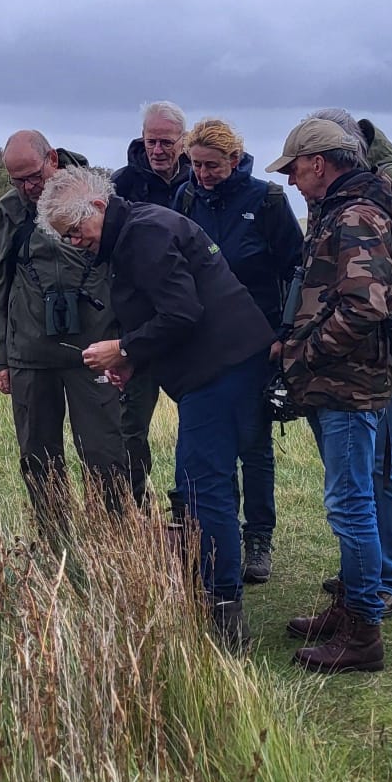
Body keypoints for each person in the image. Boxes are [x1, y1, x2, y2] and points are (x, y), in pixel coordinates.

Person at [37, 166, 273, 650]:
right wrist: (134, 361)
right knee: (201, 483)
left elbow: (182, 312)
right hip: (222, 364)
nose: (75, 242)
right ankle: (214, 593)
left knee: (202, 486)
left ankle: (224, 612)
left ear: (98, 206)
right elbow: (164, 311)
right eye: (66, 237)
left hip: (222, 368)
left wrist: (123, 348)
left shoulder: (143, 234)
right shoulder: (136, 228)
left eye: (76, 230)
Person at [264, 118, 392, 673]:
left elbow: (367, 305)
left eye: (295, 168)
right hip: (334, 381)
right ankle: (348, 606)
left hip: (347, 384)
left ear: (319, 163)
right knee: (351, 501)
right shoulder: (339, 209)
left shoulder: (356, 215)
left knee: (350, 505)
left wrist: (305, 354)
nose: (291, 180)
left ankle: (363, 632)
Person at [306, 108, 392, 617]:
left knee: (383, 463)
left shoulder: (388, 182)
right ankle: (365, 571)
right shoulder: (350, 186)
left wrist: (378, 298)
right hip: (362, 351)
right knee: (361, 468)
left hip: (389, 351)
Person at [172, 118, 303, 584]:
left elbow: (295, 268)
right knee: (214, 444)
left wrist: (284, 333)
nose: (203, 174)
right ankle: (217, 532)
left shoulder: (267, 200)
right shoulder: (185, 198)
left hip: (257, 341)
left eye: (212, 165)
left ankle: (259, 538)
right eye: (195, 164)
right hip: (203, 342)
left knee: (253, 442)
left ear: (234, 159)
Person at [0, 131, 131, 536]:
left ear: (52, 158)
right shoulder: (7, 211)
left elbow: (125, 273)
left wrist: (126, 348)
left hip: (95, 351)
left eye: (33, 176)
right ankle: (55, 540)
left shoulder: (98, 194)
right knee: (37, 456)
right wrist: (2, 359)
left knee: (104, 452)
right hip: (30, 354)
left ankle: (114, 539)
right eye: (18, 180)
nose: (28, 188)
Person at [110, 101, 192, 504]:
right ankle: (133, 507)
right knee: (130, 423)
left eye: (166, 142)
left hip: (188, 321)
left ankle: (189, 508)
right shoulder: (121, 184)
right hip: (137, 324)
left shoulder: (199, 179)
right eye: (151, 141)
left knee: (197, 422)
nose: (158, 150)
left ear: (183, 141)